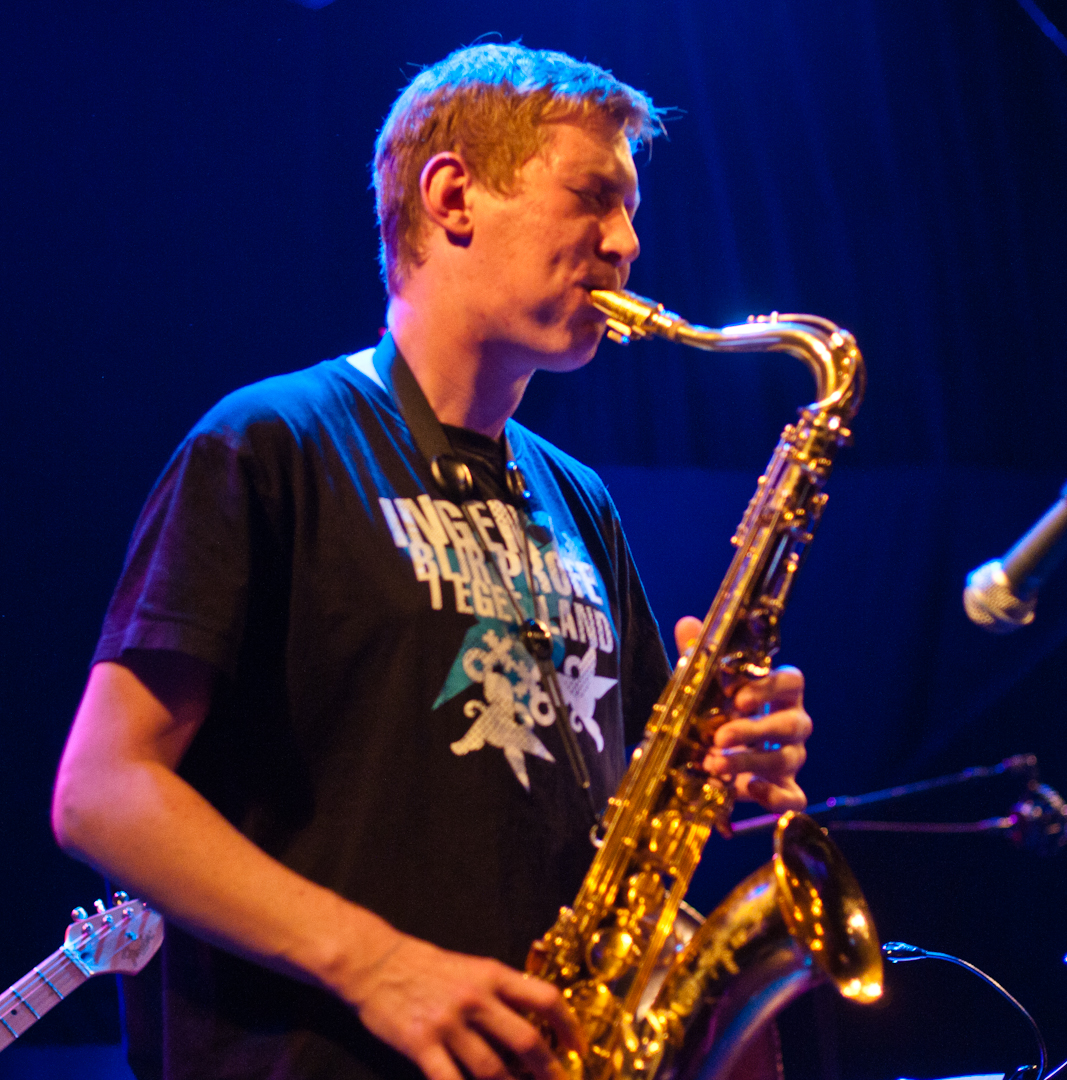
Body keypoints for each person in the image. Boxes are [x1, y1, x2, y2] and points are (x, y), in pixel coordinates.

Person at [52, 44, 812, 1080]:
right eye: (592, 197)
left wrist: (720, 766)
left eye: (631, 211)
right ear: (452, 195)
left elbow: (615, 824)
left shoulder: (579, 499)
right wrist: (379, 964)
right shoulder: (272, 444)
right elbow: (102, 790)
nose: (627, 243)